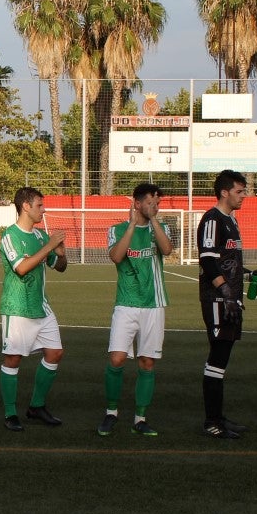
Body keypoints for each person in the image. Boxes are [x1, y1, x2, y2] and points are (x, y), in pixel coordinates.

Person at [102, 182, 173, 437]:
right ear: (137, 203)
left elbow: (167, 250)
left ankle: (140, 419)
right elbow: (116, 257)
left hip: (154, 304)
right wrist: (132, 225)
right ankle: (111, 413)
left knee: (147, 362)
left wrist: (153, 221)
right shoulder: (117, 229)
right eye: (151, 202)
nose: (155, 206)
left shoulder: (161, 228)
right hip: (126, 303)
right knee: (117, 358)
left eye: (158, 203)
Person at [0, 187, 67, 432]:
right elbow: (22, 268)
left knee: (55, 353)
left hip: (41, 305)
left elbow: (59, 267)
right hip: (17, 307)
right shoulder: (10, 236)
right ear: (25, 206)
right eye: (39, 205)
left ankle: (36, 406)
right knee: (13, 359)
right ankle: (10, 413)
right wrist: (50, 245)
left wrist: (60, 252)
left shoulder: (39, 237)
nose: (44, 209)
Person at [197, 170, 250, 439]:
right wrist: (226, 290)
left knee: (223, 358)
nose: (244, 196)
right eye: (240, 191)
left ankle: (218, 417)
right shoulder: (212, 219)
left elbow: (226, 259)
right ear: (225, 192)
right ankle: (211, 422)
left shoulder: (232, 220)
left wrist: (247, 273)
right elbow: (207, 260)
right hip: (219, 299)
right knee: (217, 359)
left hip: (230, 298)